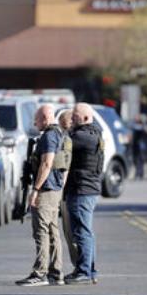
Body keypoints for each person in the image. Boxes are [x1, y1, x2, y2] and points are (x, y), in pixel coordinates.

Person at [16, 104, 66, 287]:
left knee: (41, 232)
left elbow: (46, 164)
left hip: (46, 190)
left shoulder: (49, 136)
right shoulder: (59, 133)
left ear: (45, 118)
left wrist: (35, 190)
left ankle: (40, 273)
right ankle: (56, 272)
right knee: (53, 231)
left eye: (36, 119)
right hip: (55, 189)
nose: (35, 123)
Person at [64, 103, 103, 285]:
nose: (72, 120)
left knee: (81, 232)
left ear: (86, 118)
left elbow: (63, 141)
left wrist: (67, 128)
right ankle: (89, 269)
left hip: (82, 190)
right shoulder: (95, 132)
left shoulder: (82, 136)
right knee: (85, 232)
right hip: (86, 189)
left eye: (75, 117)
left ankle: (84, 271)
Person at [57, 109, 78, 269]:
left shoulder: (68, 140)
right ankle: (82, 267)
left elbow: (65, 167)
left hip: (69, 191)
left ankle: (80, 266)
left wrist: (60, 191)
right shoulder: (84, 137)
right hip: (80, 189)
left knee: (71, 232)